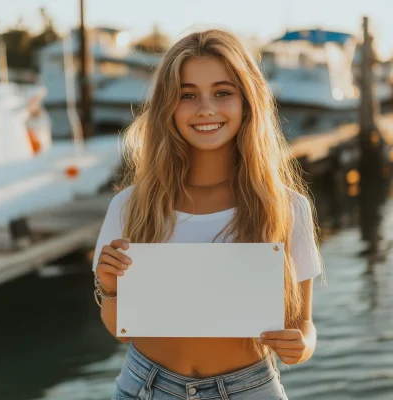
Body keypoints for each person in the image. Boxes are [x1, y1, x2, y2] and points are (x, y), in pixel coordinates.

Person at [92, 28, 323, 400]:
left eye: (222, 92)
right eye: (187, 95)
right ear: (168, 105)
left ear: (248, 101)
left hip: (251, 389)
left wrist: (301, 346)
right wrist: (109, 286)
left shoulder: (287, 208)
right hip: (145, 387)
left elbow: (303, 326)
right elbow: (123, 329)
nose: (205, 108)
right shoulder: (131, 206)